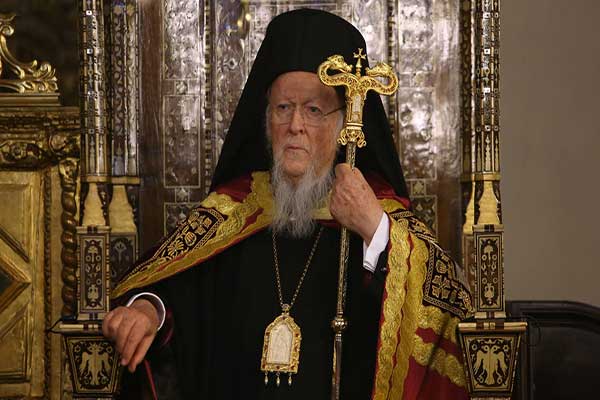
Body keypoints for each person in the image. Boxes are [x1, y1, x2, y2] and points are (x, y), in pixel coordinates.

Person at [104, 8, 472, 400]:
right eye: (283, 108)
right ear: (266, 120)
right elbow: (180, 292)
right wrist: (149, 310)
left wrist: (375, 229)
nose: (295, 125)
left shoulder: (380, 216)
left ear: (344, 124)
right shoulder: (234, 212)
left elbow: (446, 306)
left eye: (314, 110)